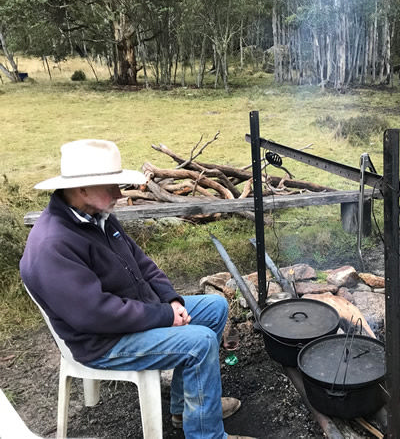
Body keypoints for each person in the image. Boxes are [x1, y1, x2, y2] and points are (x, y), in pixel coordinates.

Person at [20, 139, 252, 439]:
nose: (119, 193)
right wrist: (164, 315)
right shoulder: (53, 244)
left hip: (133, 313)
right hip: (103, 341)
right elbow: (96, 315)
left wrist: (172, 300)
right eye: (111, 186)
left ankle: (188, 409)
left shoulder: (99, 218)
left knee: (215, 307)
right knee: (201, 341)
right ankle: (207, 435)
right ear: (81, 189)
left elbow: (144, 265)